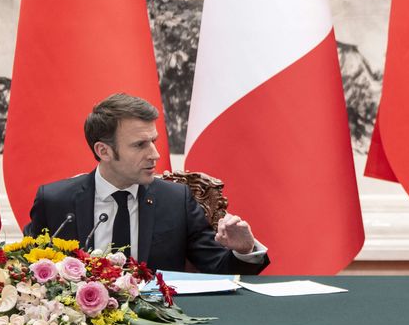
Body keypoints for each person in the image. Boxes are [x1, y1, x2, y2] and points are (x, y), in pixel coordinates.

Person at [24, 93, 269, 274]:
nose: (155, 154)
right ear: (104, 151)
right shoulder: (55, 201)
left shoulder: (176, 201)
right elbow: (28, 270)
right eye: (140, 145)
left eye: (153, 141)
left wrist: (244, 250)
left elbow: (219, 269)